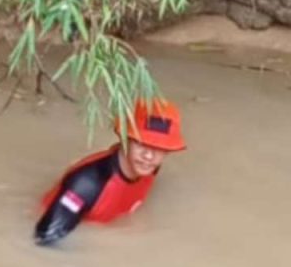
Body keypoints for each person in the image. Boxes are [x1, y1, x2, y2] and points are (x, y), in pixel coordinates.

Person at [34, 98, 186, 246]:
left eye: (159, 148)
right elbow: (44, 238)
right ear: (124, 138)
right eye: (141, 144)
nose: (149, 156)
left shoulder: (151, 166)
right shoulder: (86, 185)